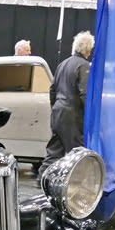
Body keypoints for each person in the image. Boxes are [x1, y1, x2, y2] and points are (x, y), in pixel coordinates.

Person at [39, 31, 95, 178]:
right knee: (76, 151)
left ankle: (43, 177)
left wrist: (55, 107)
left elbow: (52, 89)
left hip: (58, 111)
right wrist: (89, 115)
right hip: (72, 115)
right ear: (87, 50)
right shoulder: (84, 66)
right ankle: (76, 181)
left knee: (54, 149)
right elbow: (84, 93)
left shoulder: (62, 64)